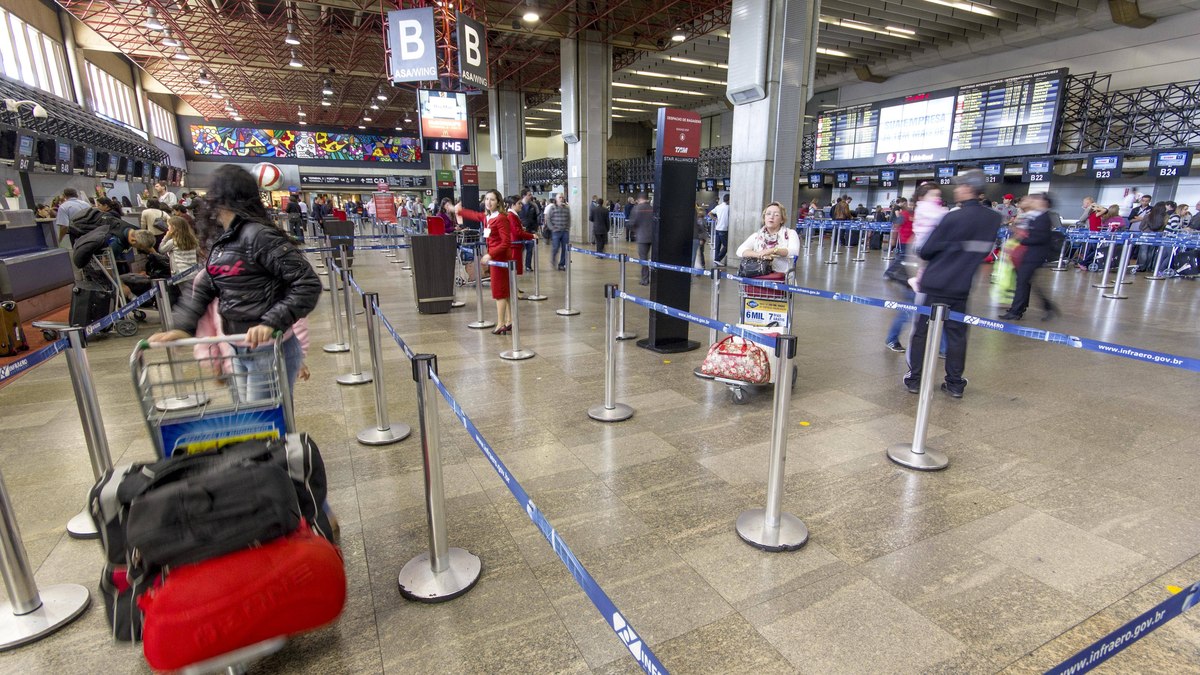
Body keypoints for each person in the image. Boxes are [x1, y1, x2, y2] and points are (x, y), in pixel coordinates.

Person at [149, 164, 322, 399]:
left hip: (268, 349)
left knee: (263, 424)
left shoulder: (259, 236)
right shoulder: (225, 241)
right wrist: (182, 327)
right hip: (238, 347)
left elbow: (307, 283)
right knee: (258, 422)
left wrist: (271, 323)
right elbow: (203, 288)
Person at [903, 170, 1001, 399]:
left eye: (959, 186)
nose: (955, 190)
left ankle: (915, 379)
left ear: (968, 188)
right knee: (957, 334)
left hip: (935, 283)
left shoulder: (952, 217)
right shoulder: (993, 218)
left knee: (921, 332)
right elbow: (984, 251)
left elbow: (926, 251)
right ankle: (955, 383)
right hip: (962, 284)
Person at [450, 190, 515, 334]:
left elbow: (506, 242)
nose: (488, 202)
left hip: (500, 259)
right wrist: (458, 210)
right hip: (495, 259)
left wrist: (490, 254)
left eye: (492, 199)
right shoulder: (488, 217)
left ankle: (501, 323)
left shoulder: (501, 218)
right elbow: (474, 215)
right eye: (486, 199)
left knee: (499, 292)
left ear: (498, 202)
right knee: (505, 292)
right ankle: (509, 320)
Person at [1001, 193, 1059, 321]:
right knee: (1026, 281)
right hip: (1027, 254)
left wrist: (1024, 239)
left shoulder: (1044, 218)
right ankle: (1043, 307)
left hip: (1034, 255)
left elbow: (1041, 237)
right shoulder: (1034, 216)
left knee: (1022, 281)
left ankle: (1016, 311)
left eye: (1037, 199)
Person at [735, 202, 799, 277]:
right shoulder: (757, 236)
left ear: (782, 220)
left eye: (776, 215)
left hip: (782, 278)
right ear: (764, 218)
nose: (771, 217)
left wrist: (773, 250)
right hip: (760, 276)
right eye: (768, 214)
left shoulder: (790, 234)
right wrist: (759, 254)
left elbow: (794, 252)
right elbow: (740, 251)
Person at [158, 215, 201, 291]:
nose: (168, 228)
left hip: (181, 274)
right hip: (193, 272)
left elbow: (161, 249)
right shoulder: (192, 240)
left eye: (169, 226)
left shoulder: (173, 242)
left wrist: (166, 236)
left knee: (186, 296)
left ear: (173, 228)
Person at [629, 193, 654, 285]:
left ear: (639, 199)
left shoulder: (636, 209)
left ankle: (645, 279)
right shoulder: (652, 209)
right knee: (655, 258)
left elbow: (632, 223)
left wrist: (634, 230)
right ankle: (655, 278)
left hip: (642, 237)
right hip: (653, 237)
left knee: (644, 259)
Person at [546, 194, 571, 271]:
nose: (561, 199)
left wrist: (567, 228)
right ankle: (553, 260)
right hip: (556, 232)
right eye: (560, 197)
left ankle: (562, 264)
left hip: (565, 232)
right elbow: (548, 218)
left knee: (565, 248)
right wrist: (552, 228)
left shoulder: (567, 208)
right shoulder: (552, 208)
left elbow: (569, 218)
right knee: (556, 247)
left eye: (562, 197)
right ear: (556, 199)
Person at [519, 191, 539, 271]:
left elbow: (535, 219)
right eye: (529, 195)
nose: (531, 196)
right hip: (520, 232)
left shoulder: (533, 206)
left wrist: (535, 230)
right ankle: (518, 266)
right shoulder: (518, 205)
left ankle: (528, 266)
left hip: (530, 231)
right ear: (524, 196)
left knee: (530, 250)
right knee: (520, 250)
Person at [709, 194, 730, 265]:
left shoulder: (718, 206)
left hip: (717, 228)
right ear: (729, 200)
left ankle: (716, 261)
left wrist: (715, 219)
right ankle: (718, 259)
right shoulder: (728, 207)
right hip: (723, 229)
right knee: (726, 246)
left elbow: (710, 213)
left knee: (717, 246)